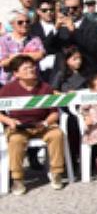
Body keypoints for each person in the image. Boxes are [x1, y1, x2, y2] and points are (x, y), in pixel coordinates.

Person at [0, 54, 68, 195]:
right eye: (25, 68)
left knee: (57, 134)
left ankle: (56, 173)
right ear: (16, 73)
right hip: (19, 127)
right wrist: (9, 121)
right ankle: (17, 179)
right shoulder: (8, 89)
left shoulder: (46, 88)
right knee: (15, 140)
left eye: (32, 67)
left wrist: (45, 123)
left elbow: (54, 113)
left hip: (42, 124)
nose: (31, 70)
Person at [59, 0, 97, 78]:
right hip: (65, 75)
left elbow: (92, 47)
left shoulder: (94, 26)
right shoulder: (61, 27)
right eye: (67, 8)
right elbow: (49, 48)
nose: (71, 11)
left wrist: (73, 30)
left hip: (86, 74)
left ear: (82, 8)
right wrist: (55, 28)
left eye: (75, 8)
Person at [1, 9, 46, 85]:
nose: (25, 24)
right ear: (12, 24)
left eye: (27, 22)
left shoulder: (35, 39)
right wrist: (31, 55)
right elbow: (3, 62)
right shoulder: (3, 40)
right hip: (9, 82)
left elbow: (40, 55)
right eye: (20, 22)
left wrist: (17, 56)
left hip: (32, 82)